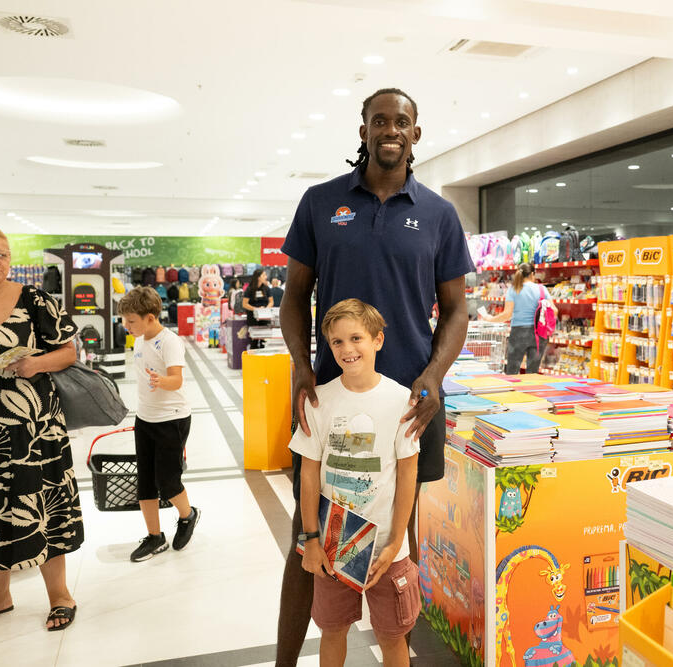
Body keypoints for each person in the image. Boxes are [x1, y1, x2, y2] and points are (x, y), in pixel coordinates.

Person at [277, 87, 473, 665]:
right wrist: (299, 367)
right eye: (379, 120)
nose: (390, 129)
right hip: (331, 401)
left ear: (416, 133)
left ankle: (396, 653)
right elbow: (294, 298)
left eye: (402, 121)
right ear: (363, 129)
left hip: (411, 406)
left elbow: (457, 308)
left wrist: (434, 376)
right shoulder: (320, 202)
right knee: (306, 537)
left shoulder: (438, 213)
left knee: (399, 542)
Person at [0, 228, 82, 631]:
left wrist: (36, 363)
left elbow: (69, 351)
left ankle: (61, 595)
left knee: (44, 503)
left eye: (2, 255)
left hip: (37, 426)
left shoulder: (35, 300)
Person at [290, 299, 419, 667]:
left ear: (378, 340)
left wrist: (397, 541)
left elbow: (408, 472)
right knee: (332, 630)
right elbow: (309, 473)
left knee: (393, 636)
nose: (347, 349)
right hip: (334, 546)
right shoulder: (319, 401)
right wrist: (311, 540)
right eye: (337, 342)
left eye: (356, 338)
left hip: (386, 550)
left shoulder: (401, 400)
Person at [117, 288, 199, 562]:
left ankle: (188, 515)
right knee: (145, 483)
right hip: (146, 419)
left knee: (168, 481)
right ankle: (155, 537)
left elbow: (176, 380)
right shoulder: (140, 340)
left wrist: (160, 381)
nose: (126, 327)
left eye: (131, 321)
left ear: (150, 317)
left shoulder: (169, 342)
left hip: (171, 419)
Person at [479, 262, 557, 374]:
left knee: (512, 370)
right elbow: (554, 311)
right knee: (533, 372)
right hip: (539, 334)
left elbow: (507, 314)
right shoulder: (542, 289)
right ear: (532, 274)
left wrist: (490, 319)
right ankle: (530, 390)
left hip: (518, 333)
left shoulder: (514, 289)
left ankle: (512, 390)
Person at [242, 269, 272, 349]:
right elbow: (244, 304)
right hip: (253, 317)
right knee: (254, 341)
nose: (266, 277)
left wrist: (265, 309)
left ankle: (264, 359)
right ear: (258, 277)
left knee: (264, 341)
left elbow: (271, 302)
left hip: (265, 317)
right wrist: (256, 309)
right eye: (264, 275)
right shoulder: (249, 289)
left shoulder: (266, 289)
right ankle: (253, 359)